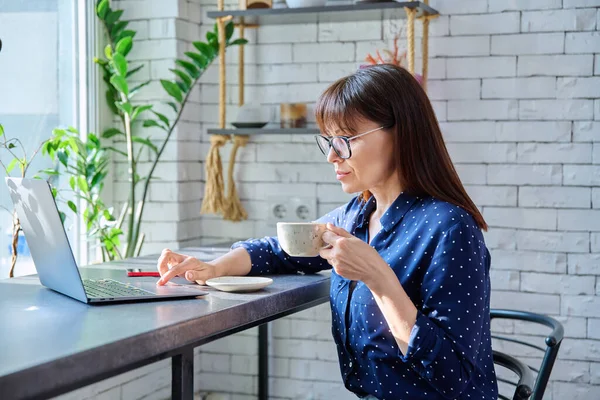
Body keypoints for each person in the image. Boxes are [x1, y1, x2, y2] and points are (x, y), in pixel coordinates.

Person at [156, 64, 498, 400]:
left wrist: (379, 279)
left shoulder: (449, 227)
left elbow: (452, 377)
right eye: (329, 141)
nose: (333, 155)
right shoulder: (357, 216)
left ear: (400, 133)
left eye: (346, 139)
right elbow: (279, 250)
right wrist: (214, 267)